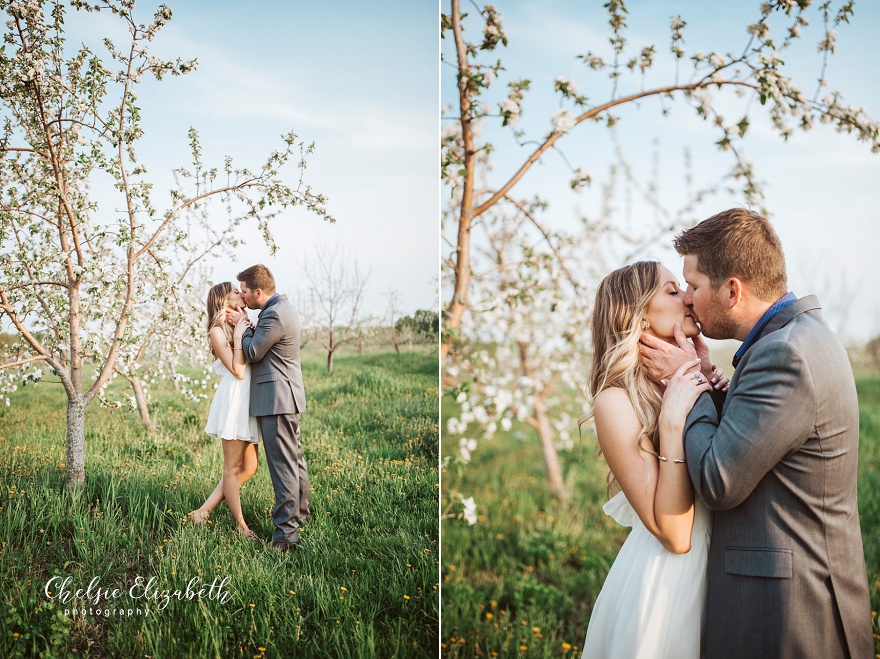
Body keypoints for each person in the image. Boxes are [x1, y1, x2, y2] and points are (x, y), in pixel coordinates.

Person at [639, 208, 872, 659]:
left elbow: (718, 481)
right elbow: (757, 437)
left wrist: (686, 379)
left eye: (693, 285)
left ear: (732, 290)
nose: (686, 298)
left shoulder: (785, 354)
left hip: (792, 612)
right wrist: (706, 377)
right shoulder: (792, 339)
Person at [580, 260, 729, 659]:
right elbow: (675, 535)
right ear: (637, 316)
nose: (687, 296)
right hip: (670, 586)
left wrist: (708, 383)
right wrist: (673, 418)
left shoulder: (694, 377)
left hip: (725, 577)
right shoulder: (615, 402)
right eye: (670, 290)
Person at [228, 264, 310, 551]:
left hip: (277, 400)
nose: (243, 296)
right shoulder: (278, 309)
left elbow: (251, 352)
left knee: (282, 467)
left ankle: (286, 536)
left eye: (246, 291)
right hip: (284, 398)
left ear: (258, 292)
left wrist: (241, 330)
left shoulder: (274, 314)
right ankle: (300, 515)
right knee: (293, 461)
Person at [188, 282, 261, 541]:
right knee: (231, 469)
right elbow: (238, 371)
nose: (242, 294)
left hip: (248, 399)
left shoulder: (238, 323)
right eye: (236, 292)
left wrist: (243, 326)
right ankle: (242, 528)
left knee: (250, 468)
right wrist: (240, 335)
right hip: (234, 400)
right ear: (223, 300)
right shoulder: (217, 332)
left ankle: (204, 511)